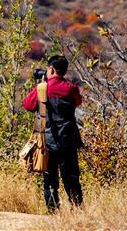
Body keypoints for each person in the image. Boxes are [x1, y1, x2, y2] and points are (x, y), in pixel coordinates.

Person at [22, 55, 84, 212]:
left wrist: (42, 86)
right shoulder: (71, 88)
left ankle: (53, 211)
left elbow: (28, 105)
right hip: (68, 141)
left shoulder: (42, 88)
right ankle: (78, 211)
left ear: (51, 69)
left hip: (47, 142)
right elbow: (78, 102)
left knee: (49, 180)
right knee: (72, 179)